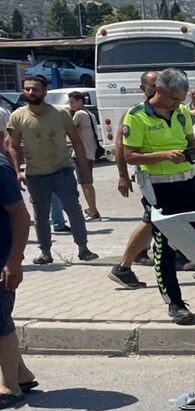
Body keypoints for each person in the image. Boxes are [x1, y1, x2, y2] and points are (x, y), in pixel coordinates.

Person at [121, 68, 195, 325]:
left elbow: (190, 142)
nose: (178, 104)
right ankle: (174, 303)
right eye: (174, 99)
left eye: (181, 99)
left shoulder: (182, 113)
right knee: (165, 249)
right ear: (160, 91)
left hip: (189, 184)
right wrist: (163, 156)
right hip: (161, 189)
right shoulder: (136, 116)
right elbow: (129, 155)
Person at [5, 75, 96, 265]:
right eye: (27, 89)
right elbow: (12, 146)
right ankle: (45, 252)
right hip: (36, 175)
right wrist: (17, 170)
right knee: (41, 216)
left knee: (74, 211)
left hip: (62, 171)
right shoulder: (18, 116)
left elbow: (77, 142)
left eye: (35, 89)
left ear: (44, 92)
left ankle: (83, 248)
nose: (31, 92)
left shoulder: (61, 114)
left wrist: (84, 170)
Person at [109, 70, 158, 290]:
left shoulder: (169, 110)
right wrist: (122, 175)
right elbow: (121, 147)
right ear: (142, 88)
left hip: (171, 177)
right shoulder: (134, 113)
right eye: (152, 86)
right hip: (151, 177)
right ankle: (123, 266)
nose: (157, 90)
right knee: (152, 220)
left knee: (156, 221)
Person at [0, 132, 34, 408]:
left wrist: (14, 261)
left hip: (2, 260)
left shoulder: (0, 168)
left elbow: (22, 217)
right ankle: (21, 375)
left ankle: (10, 388)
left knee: (0, 323)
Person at [67, 91, 101, 220]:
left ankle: (93, 211)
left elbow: (69, 129)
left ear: (80, 101)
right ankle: (92, 209)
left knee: (85, 183)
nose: (70, 105)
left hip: (83, 153)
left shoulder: (80, 114)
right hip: (90, 151)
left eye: (72, 102)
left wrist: (68, 114)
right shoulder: (89, 113)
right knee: (87, 182)